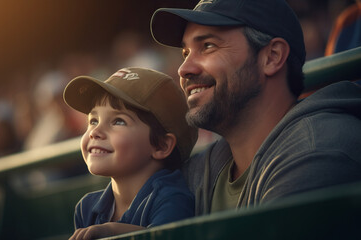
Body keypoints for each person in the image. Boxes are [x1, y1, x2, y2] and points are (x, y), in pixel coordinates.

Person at [150, 0, 361, 215]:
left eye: (208, 46)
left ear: (272, 57)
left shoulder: (318, 154)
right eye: (186, 53)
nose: (183, 69)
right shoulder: (203, 169)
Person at [63, 67, 198, 239]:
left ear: (161, 146)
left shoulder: (172, 199)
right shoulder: (86, 208)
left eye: (118, 121)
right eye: (93, 120)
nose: (95, 131)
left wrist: (112, 233)